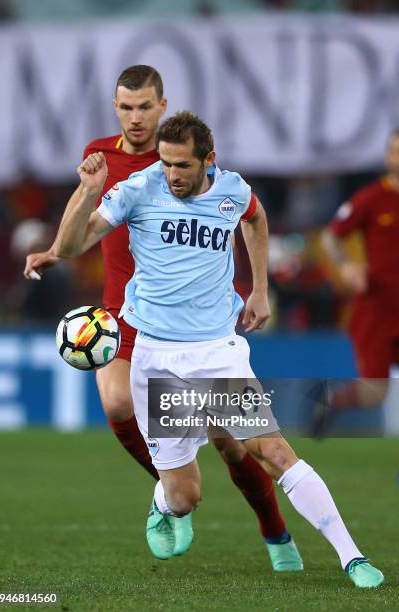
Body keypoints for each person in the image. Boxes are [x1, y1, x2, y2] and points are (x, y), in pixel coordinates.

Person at [53, 110, 384, 588]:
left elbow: (255, 217)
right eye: (165, 163)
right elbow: (69, 247)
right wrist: (86, 192)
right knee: (186, 496)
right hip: (157, 360)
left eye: (181, 165)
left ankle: (352, 557)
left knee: (271, 449)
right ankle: (165, 501)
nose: (170, 174)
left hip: (217, 352)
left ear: (209, 160)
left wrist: (260, 289)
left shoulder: (232, 189)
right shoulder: (138, 189)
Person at [24, 65, 302, 570]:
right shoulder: (100, 153)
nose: (135, 117)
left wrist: (259, 288)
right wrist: (54, 250)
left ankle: (275, 531)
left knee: (233, 445)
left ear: (162, 106)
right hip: (122, 310)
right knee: (115, 403)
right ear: (116, 108)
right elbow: (81, 225)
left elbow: (245, 213)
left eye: (145, 106)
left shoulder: (182, 158)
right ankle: (171, 495)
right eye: (126, 107)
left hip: (192, 320)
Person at [312, 128, 399, 437]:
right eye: (393, 151)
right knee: (375, 393)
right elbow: (330, 236)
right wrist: (347, 266)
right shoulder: (372, 198)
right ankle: (333, 399)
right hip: (378, 309)